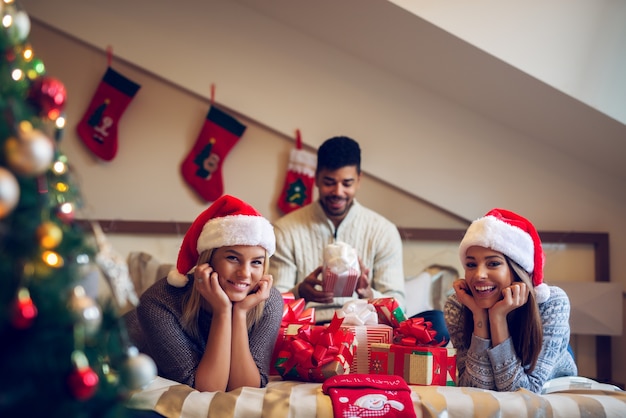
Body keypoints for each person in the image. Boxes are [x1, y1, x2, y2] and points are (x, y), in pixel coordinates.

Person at [124, 195, 283, 392]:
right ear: (207, 261)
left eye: (256, 262)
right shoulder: (158, 303)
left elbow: (246, 387)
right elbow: (208, 388)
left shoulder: (267, 299)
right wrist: (223, 311)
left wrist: (240, 314)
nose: (245, 274)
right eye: (233, 258)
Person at [270, 136, 405, 323]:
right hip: (305, 331)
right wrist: (300, 292)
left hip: (364, 330)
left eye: (347, 183)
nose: (338, 192)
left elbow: (401, 307)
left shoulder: (384, 232)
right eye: (329, 182)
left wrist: (368, 293)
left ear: (359, 180)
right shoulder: (285, 230)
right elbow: (271, 304)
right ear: (316, 178)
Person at [444, 208, 577, 393]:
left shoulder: (551, 303)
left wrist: (498, 319)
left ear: (517, 269)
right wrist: (480, 317)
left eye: (493, 263)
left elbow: (523, 392)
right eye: (471, 265)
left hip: (548, 355)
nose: (479, 275)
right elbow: (474, 388)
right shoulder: (459, 304)